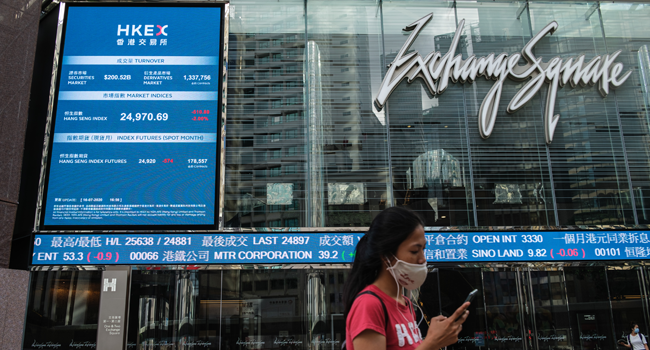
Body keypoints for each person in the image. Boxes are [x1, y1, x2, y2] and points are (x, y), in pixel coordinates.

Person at [343, 206, 470, 350]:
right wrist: (432, 343)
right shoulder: (369, 305)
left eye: (423, 249)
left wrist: (436, 339)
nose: (423, 259)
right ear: (386, 255)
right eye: (415, 251)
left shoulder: (406, 303)